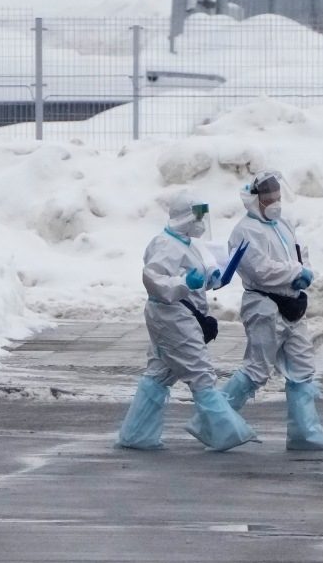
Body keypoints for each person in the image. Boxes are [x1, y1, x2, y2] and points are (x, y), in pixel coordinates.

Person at [116, 190, 258, 452]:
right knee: (200, 371)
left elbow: (196, 276)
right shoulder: (164, 244)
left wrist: (213, 278)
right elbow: (154, 280)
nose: (201, 222)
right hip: (171, 315)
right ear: (185, 217)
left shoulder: (187, 243)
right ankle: (225, 432)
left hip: (181, 314)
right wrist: (184, 282)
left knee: (161, 372)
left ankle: (136, 434)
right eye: (198, 216)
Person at [212, 170, 323, 451]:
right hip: (264, 306)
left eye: (278, 199)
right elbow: (261, 270)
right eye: (269, 200)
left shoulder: (284, 224)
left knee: (302, 367)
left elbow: (300, 254)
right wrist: (295, 273)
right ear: (255, 200)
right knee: (257, 368)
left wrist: (305, 272)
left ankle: (305, 434)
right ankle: (214, 422)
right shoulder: (245, 231)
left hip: (292, 305)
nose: (275, 205)